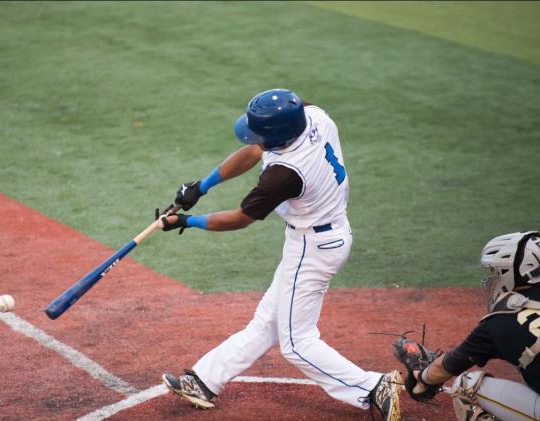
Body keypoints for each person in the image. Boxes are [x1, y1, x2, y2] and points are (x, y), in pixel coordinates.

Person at [156, 89, 402, 420]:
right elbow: (253, 149)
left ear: (279, 136)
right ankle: (204, 380)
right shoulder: (313, 115)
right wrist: (201, 187)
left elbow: (240, 219)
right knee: (267, 323)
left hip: (313, 248)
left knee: (297, 343)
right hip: (325, 233)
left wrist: (187, 221)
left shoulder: (284, 174)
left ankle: (372, 387)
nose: (256, 139)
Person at [404, 231, 540, 420]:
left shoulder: (500, 321)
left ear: (511, 272)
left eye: (495, 271)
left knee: (466, 386)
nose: (493, 277)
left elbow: (445, 368)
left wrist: (422, 377)